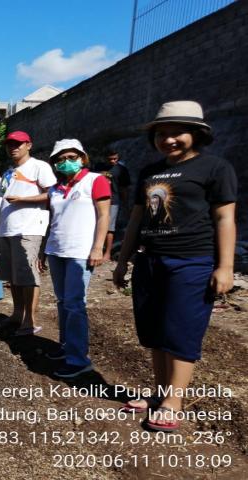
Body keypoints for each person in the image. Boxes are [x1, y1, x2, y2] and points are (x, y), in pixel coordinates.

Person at [113, 101, 237, 432]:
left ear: (196, 134)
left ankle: (173, 401)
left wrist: (225, 267)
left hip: (192, 261)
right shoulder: (149, 172)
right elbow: (137, 218)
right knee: (153, 331)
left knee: (180, 330)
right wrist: (123, 260)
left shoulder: (215, 168)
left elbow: (224, 217)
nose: (169, 140)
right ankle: (159, 393)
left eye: (177, 133)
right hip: (150, 259)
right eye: (162, 134)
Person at [40, 139, 110, 378]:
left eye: (71, 157)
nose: (65, 162)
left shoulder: (95, 181)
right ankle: (66, 347)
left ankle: (79, 359)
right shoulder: (55, 189)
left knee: (74, 304)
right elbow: (53, 221)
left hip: (80, 252)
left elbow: (103, 216)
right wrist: (44, 249)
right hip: (57, 250)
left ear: (82, 157)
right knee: (62, 302)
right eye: (60, 159)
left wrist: (98, 248)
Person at [0, 131, 57, 336]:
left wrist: (23, 199)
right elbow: (2, 201)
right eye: (10, 144)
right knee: (13, 276)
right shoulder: (9, 172)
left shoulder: (40, 167)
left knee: (28, 276)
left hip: (29, 228)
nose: (13, 147)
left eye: (18, 144)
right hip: (8, 228)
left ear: (28, 145)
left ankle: (30, 321)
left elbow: (53, 194)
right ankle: (17, 314)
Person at [98, 149, 131, 261]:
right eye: (110, 159)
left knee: (110, 228)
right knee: (95, 225)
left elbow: (124, 188)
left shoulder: (121, 170)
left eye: (115, 159)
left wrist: (125, 204)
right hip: (97, 200)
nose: (113, 161)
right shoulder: (98, 167)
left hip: (113, 202)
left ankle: (107, 253)